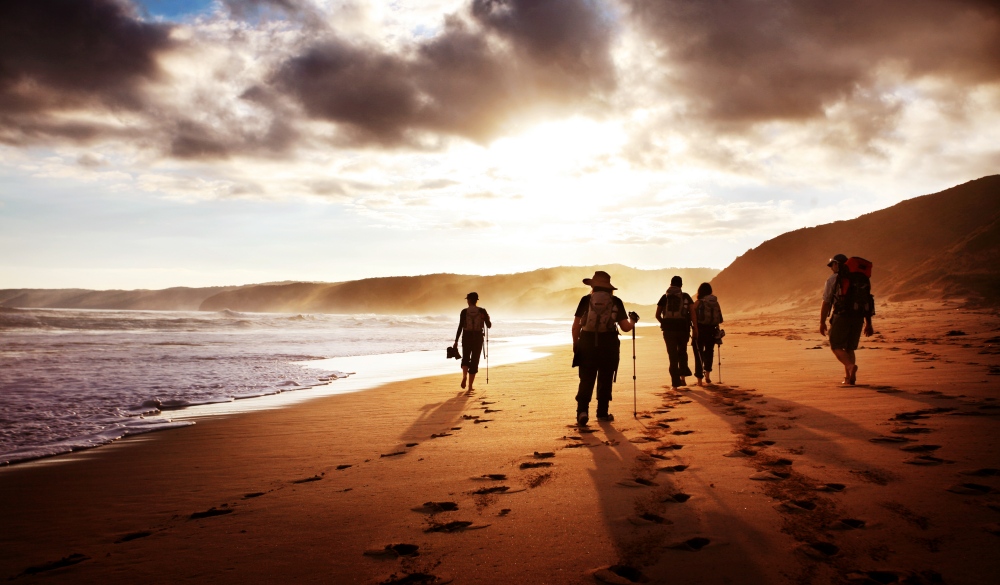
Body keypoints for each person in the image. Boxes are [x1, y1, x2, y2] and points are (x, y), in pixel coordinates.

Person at [572, 271, 639, 425]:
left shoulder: (586, 300)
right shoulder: (616, 301)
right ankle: (602, 413)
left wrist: (576, 344)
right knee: (605, 378)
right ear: (609, 287)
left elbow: (576, 326)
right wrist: (633, 321)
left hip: (587, 343)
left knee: (586, 379)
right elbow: (625, 328)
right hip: (608, 345)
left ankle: (582, 412)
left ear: (593, 286)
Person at [820, 254, 875, 385]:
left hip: (842, 316)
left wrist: (822, 322)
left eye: (832, 264)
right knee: (849, 348)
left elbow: (826, 302)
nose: (831, 268)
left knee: (836, 346)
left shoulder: (834, 279)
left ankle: (850, 367)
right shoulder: (862, 279)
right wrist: (869, 324)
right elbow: (867, 301)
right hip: (859, 317)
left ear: (837, 264)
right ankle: (849, 378)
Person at [656, 275, 695, 390]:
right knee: (682, 352)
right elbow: (692, 314)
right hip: (683, 329)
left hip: (668, 331)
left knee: (672, 356)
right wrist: (695, 329)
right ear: (681, 285)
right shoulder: (686, 296)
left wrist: (664, 322)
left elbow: (657, 315)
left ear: (670, 284)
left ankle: (675, 384)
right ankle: (683, 378)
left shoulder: (665, 297)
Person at [454, 292, 491, 392]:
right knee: (474, 361)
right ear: (476, 300)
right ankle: (470, 386)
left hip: (466, 336)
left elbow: (460, 326)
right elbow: (489, 325)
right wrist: (484, 318)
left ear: (469, 300)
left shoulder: (464, 312)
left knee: (465, 358)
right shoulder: (482, 311)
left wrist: (456, 341)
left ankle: (464, 376)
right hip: (478, 337)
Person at [691, 282, 724, 385]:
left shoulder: (698, 303)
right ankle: (708, 376)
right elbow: (720, 319)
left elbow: (692, 318)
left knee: (698, 353)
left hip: (700, 330)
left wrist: (694, 331)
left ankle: (699, 380)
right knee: (709, 352)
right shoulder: (715, 303)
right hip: (712, 330)